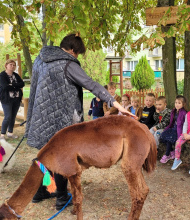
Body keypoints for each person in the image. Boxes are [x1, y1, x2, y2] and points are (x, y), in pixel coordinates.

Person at [25, 34, 133, 210]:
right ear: (73, 50)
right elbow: (91, 84)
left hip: (40, 116)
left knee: (44, 154)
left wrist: (33, 117)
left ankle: (42, 190)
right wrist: (115, 103)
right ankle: (61, 197)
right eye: (78, 54)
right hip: (59, 118)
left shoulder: (40, 60)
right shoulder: (68, 63)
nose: (77, 57)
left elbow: (35, 87)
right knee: (61, 156)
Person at [0, 59, 25, 140]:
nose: (12, 66)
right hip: (7, 99)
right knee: (8, 116)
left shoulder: (16, 75)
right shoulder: (2, 75)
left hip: (16, 99)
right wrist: (16, 86)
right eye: (11, 64)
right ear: (6, 65)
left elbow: (22, 84)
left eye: (14, 65)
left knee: (13, 116)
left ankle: (10, 133)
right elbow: (5, 86)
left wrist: (12, 84)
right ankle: (2, 135)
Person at [159, 95, 187, 164]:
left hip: (179, 131)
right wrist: (166, 129)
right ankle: (172, 151)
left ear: (183, 104)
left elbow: (185, 125)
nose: (177, 104)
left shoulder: (184, 113)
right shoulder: (173, 111)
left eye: (179, 103)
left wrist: (182, 134)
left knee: (170, 139)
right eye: (176, 102)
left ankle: (167, 154)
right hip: (173, 128)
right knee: (163, 135)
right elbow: (171, 122)